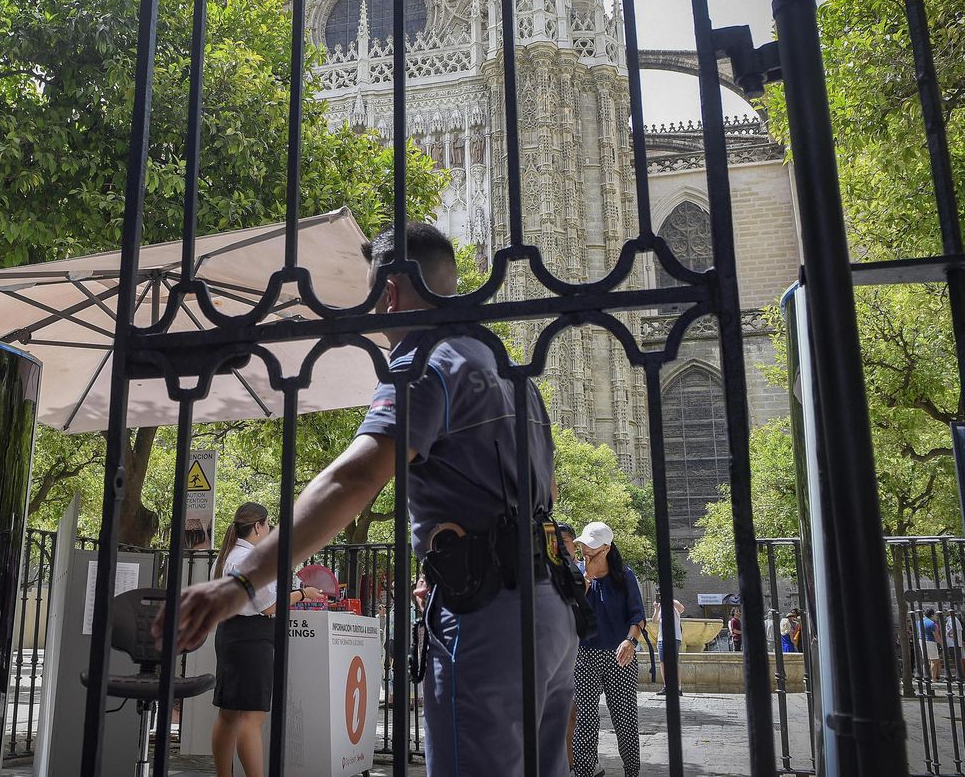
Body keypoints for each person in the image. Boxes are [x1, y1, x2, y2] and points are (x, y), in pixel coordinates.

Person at [162, 222, 579, 777]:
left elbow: (353, 480)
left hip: (486, 617)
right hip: (551, 613)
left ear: (388, 294)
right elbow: (547, 492)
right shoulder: (510, 369)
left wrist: (242, 579)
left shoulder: (422, 364)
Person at [208, 502, 323, 777]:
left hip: (229, 634)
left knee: (228, 713)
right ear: (258, 526)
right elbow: (269, 606)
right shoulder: (250, 560)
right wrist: (303, 594)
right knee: (251, 717)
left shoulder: (225, 557)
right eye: (268, 524)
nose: (270, 529)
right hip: (251, 639)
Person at [570, 521, 643, 777]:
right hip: (584, 656)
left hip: (619, 657)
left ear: (607, 548)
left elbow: (638, 617)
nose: (586, 553)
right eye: (583, 548)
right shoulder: (577, 574)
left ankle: (632, 771)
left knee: (624, 720)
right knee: (585, 721)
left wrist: (630, 641)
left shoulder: (624, 576)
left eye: (592, 548)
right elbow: (568, 616)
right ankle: (583, 771)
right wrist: (585, 585)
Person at [650, 595, 683, 696]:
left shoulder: (674, 603)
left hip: (674, 637)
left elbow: (681, 608)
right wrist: (656, 608)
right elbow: (654, 620)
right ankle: (666, 686)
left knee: (673, 662)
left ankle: (678, 688)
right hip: (662, 638)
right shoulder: (660, 608)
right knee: (663, 662)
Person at [941, 609, 965, 682]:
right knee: (957, 659)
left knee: (957, 659)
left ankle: (961, 675)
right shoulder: (954, 620)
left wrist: (951, 636)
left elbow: (953, 630)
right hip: (954, 643)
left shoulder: (952, 620)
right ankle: (959, 674)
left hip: (953, 643)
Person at [919, 609, 943, 684]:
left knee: (926, 660)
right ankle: (934, 678)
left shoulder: (919, 622)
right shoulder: (931, 623)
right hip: (930, 642)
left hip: (921, 641)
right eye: (935, 614)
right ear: (932, 615)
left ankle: (925, 676)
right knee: (934, 660)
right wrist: (942, 643)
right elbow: (936, 636)